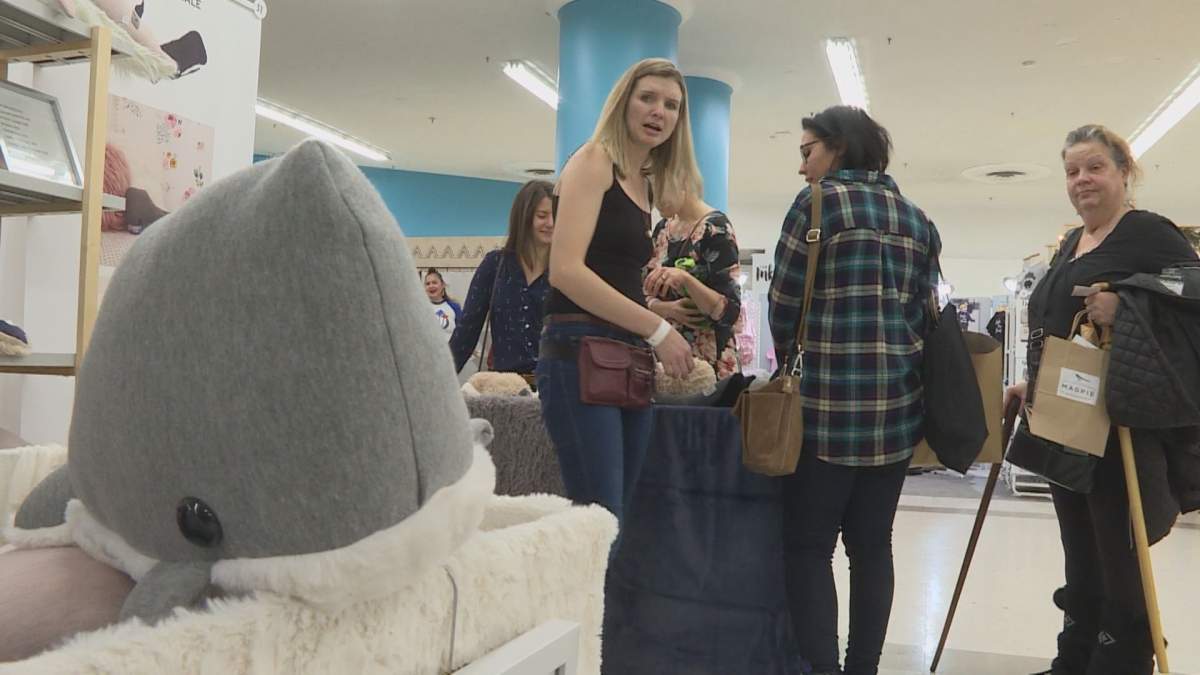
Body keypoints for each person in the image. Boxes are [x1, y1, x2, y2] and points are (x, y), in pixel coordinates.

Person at [1004, 125, 1198, 675]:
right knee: (1080, 550)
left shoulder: (1148, 232)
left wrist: (1130, 306)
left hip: (1118, 427)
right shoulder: (1072, 241)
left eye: (1094, 167)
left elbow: (1194, 297)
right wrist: (1031, 384)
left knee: (1117, 551)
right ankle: (1076, 657)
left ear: (1124, 172)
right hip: (1065, 418)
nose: (1081, 180)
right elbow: (1059, 324)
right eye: (1072, 171)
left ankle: (1122, 661)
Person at [769, 105, 940, 675]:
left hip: (824, 411)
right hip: (896, 413)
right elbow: (924, 315)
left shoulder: (815, 205)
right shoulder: (917, 219)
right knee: (873, 548)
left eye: (807, 150)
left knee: (809, 547)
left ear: (836, 148)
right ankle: (862, 667)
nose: (802, 166)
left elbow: (785, 305)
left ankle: (822, 669)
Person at [537, 57, 697, 535]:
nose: (658, 111)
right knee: (599, 520)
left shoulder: (641, 183)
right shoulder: (593, 161)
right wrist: (659, 328)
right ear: (623, 102)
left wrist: (654, 315)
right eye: (647, 98)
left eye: (671, 105)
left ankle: (606, 613)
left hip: (623, 357)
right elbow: (565, 271)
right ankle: (582, 613)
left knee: (617, 519)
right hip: (579, 353)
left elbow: (610, 276)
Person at [450, 180, 555, 376]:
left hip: (553, 385)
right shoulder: (495, 264)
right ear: (523, 217)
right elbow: (466, 330)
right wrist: (439, 383)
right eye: (542, 215)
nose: (551, 223)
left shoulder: (565, 270)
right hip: (503, 386)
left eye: (556, 215)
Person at [644, 188, 743, 379]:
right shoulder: (661, 230)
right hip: (665, 363)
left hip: (710, 367)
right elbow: (641, 296)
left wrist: (686, 280)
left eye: (659, 190)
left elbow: (730, 311)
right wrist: (667, 309)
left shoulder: (716, 229)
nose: (656, 202)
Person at [423, 268, 461, 339]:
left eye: (434, 282)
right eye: (428, 284)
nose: (431, 286)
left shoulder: (454, 307)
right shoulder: (421, 308)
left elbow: (462, 332)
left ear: (442, 285)